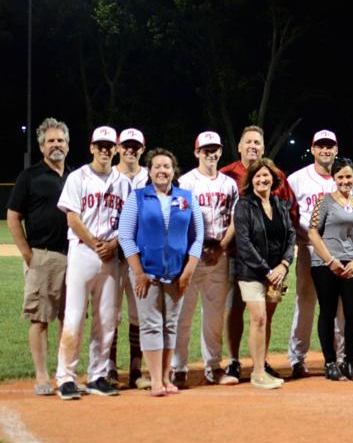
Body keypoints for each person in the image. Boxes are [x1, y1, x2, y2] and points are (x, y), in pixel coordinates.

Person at [53, 126, 130, 400]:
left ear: (116, 149)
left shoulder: (124, 182)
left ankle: (97, 376)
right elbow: (72, 218)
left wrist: (113, 244)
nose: (105, 150)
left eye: (110, 145)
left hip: (111, 256)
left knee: (107, 318)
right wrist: (96, 242)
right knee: (74, 316)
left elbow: (129, 222)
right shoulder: (77, 177)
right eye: (100, 145)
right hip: (83, 251)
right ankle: (66, 377)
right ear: (91, 147)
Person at [118, 149, 204, 396]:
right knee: (151, 325)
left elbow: (197, 237)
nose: (162, 170)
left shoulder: (186, 198)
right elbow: (126, 235)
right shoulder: (138, 198)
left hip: (177, 274)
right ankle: (155, 379)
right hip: (147, 274)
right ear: (149, 170)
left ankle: (167, 378)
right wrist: (139, 272)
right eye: (157, 166)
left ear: (173, 170)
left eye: (167, 166)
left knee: (170, 325)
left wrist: (188, 271)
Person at [220, 125, 297, 383]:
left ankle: (260, 361)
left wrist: (284, 264)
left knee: (266, 313)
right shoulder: (226, 175)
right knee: (238, 309)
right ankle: (233, 361)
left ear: (263, 149)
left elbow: (290, 222)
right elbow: (240, 235)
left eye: (258, 143)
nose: (253, 146)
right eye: (248, 142)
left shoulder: (278, 184)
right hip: (240, 259)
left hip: (276, 266)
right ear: (240, 146)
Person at [6, 118, 71, 396]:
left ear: (67, 145)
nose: (56, 145)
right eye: (50, 141)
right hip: (43, 256)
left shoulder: (75, 176)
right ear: (42, 146)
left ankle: (64, 373)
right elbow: (13, 217)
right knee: (40, 318)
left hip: (74, 257)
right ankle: (42, 376)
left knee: (70, 319)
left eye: (60, 140)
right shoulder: (30, 177)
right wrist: (27, 253)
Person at [173, 131, 239, 387]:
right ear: (197, 152)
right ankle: (179, 368)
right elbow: (179, 221)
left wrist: (222, 247)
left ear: (221, 152)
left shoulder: (229, 184)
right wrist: (193, 250)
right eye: (205, 150)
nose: (210, 154)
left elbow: (234, 220)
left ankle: (213, 366)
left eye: (215, 150)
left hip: (218, 254)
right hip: (192, 256)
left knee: (213, 316)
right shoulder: (186, 182)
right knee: (184, 315)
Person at [286, 130, 343, 379]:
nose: (325, 150)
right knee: (306, 304)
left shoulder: (347, 177)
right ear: (312, 149)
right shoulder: (297, 179)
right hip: (309, 251)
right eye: (320, 146)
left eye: (329, 146)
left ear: (336, 149)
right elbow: (287, 214)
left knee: (340, 307)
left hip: (341, 250)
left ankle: (341, 358)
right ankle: (297, 359)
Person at [308, 158, 353, 381]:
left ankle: (350, 362)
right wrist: (330, 260)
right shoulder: (324, 202)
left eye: (348, 176)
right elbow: (313, 232)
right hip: (326, 266)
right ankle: (330, 362)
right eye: (340, 177)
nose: (345, 181)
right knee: (328, 312)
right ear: (334, 179)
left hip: (351, 265)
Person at [110, 127, 147, 387]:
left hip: (141, 257)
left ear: (142, 149)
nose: (130, 150)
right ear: (118, 148)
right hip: (112, 255)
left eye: (135, 146)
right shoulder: (107, 176)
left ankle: (136, 368)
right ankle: (109, 367)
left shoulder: (150, 176)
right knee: (110, 313)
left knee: (139, 313)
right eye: (126, 145)